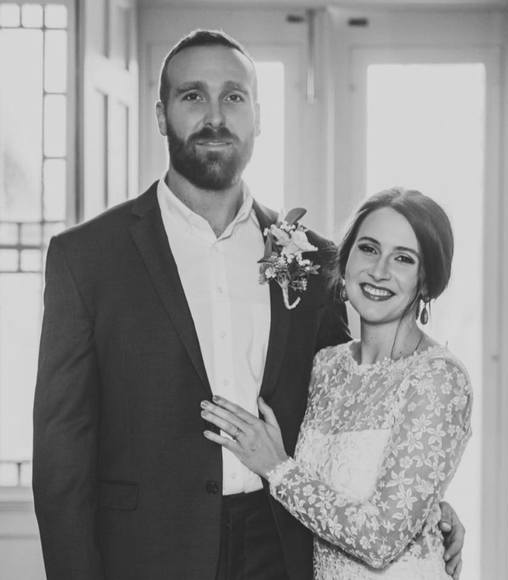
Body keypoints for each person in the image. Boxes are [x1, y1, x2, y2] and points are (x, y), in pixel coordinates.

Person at [32, 29, 464, 580]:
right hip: (146, 553)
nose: (215, 116)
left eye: (233, 97)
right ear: (162, 114)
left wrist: (422, 507)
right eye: (193, 95)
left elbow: (352, 415)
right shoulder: (87, 257)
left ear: (257, 117)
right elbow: (61, 456)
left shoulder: (315, 260)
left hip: (283, 549)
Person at [201, 187, 472, 579]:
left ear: (427, 281)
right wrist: (431, 508)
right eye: (369, 249)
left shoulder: (438, 378)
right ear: (344, 262)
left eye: (403, 258)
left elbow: (381, 539)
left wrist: (277, 468)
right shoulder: (326, 366)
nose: (379, 270)